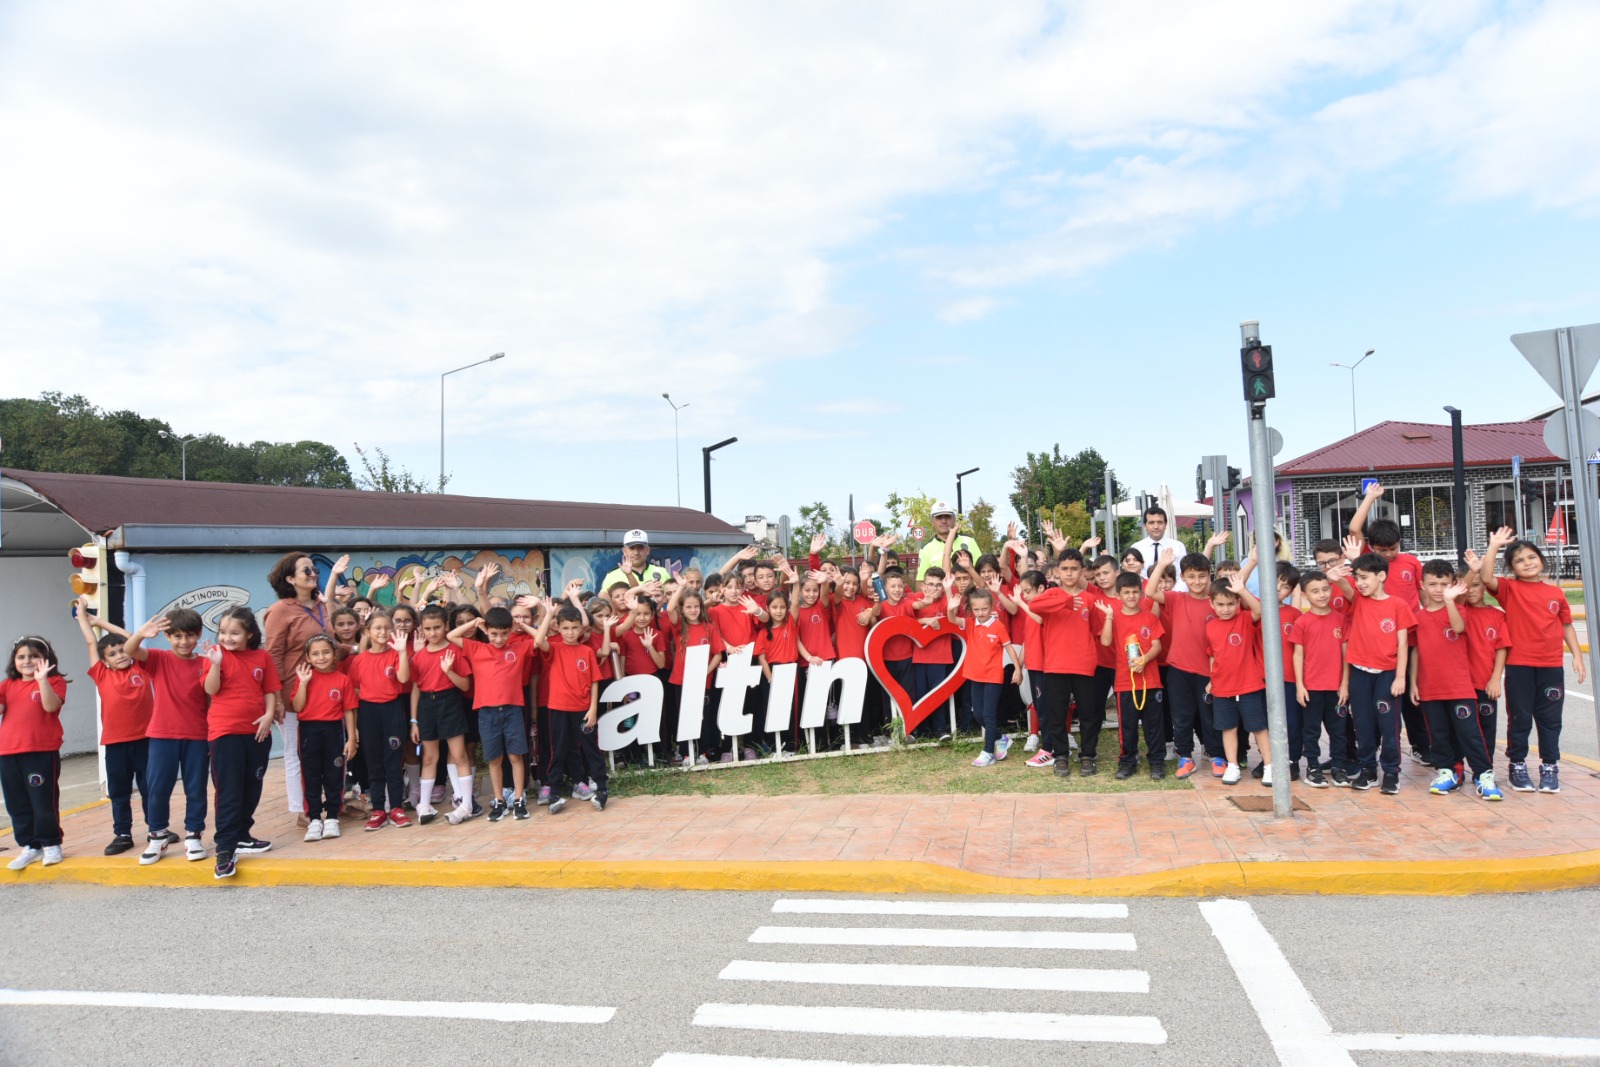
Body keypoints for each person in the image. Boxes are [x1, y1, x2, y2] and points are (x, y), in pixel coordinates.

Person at [1479, 527, 1586, 794]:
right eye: (1519, 560)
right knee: (1521, 718)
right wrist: (1494, 546)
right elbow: (1486, 577)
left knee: (1550, 720)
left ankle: (1549, 766)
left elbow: (1566, 626)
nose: (1527, 563)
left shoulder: (1556, 594)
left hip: (1551, 667)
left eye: (1531, 557)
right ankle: (1517, 764)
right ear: (1512, 567)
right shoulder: (1509, 589)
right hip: (1519, 666)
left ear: (1541, 560)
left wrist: (1577, 657)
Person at [126, 609, 211, 863]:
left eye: (189, 636)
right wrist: (141, 633)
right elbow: (131, 650)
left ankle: (193, 836)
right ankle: (157, 837)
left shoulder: (206, 662)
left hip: (197, 735)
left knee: (195, 788)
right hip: (162, 735)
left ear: (199, 635)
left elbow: (210, 698)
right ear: (167, 636)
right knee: (157, 788)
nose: (183, 642)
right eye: (176, 636)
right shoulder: (157, 658)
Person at [1409, 562, 1500, 800]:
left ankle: (1484, 775)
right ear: (1422, 585)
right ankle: (1447, 771)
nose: (1438, 589)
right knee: (1438, 734)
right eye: (1432, 584)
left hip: (1459, 687)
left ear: (1452, 586)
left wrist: (1450, 600)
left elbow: (1458, 628)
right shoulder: (1417, 617)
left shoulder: (1459, 610)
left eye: (1444, 584)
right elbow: (1416, 651)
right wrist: (1413, 682)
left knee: (1470, 733)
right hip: (1430, 689)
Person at [203, 606, 282, 879]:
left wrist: (269, 715)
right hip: (226, 733)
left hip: (258, 733)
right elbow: (210, 690)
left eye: (235, 633)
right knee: (229, 792)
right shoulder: (216, 655)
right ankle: (225, 849)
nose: (227, 637)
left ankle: (242, 835)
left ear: (249, 634)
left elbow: (270, 690)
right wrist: (214, 664)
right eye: (223, 632)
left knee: (252, 786)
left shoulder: (262, 657)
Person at [73, 596, 152, 857]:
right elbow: (89, 642)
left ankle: (156, 829)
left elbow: (131, 637)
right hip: (116, 743)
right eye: (113, 654)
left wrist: (102, 622)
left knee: (149, 787)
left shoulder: (141, 666)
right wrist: (84, 618)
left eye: (123, 651)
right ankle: (123, 833)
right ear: (104, 660)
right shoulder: (102, 674)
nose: (121, 655)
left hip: (146, 739)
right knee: (119, 791)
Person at [1333, 546, 1415, 795]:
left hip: (1387, 675)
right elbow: (1345, 586)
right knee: (1363, 725)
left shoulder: (1398, 605)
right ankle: (1368, 770)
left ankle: (1391, 772)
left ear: (1381, 576)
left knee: (1389, 726)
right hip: (1359, 674)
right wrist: (1337, 574)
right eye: (1357, 577)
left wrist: (1400, 677)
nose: (1359, 583)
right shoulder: (1357, 600)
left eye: (1364, 577)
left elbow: (1403, 643)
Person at [262, 551, 335, 827]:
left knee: (324, 752)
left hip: (324, 693)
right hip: (293, 694)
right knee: (296, 752)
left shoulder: (320, 605)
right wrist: (278, 699)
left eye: (313, 568)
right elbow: (272, 655)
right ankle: (302, 809)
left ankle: (324, 801)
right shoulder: (280, 610)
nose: (313, 573)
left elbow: (330, 644)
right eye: (306, 570)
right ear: (290, 579)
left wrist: (357, 650)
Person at [1014, 550, 1098, 777]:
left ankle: (1088, 755)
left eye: (1074, 569)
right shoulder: (1050, 596)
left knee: (1089, 714)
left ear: (1081, 571)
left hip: (1084, 664)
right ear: (1057, 571)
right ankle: (1060, 755)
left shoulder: (1090, 599)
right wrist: (1068, 600)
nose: (1069, 573)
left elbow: (1096, 631)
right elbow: (1035, 606)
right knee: (1056, 713)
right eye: (1065, 569)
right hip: (1055, 664)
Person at [449, 606, 535, 822]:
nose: (499, 639)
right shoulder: (476, 648)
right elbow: (451, 635)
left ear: (510, 631)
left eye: (504, 633)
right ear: (486, 630)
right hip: (486, 713)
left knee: (516, 756)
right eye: (494, 633)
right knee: (494, 758)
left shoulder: (518, 647)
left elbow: (541, 638)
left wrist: (522, 625)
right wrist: (475, 622)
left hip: (512, 710)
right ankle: (499, 800)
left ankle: (518, 798)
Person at [1145, 548, 1220, 780]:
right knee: (1181, 716)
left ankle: (1217, 755)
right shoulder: (1177, 599)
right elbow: (1149, 591)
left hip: (1208, 671)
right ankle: (1185, 757)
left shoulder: (1216, 604)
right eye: (1191, 576)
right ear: (1183, 578)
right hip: (1178, 669)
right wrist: (1161, 564)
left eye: (1201, 576)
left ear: (1210, 576)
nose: (1197, 581)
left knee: (1210, 715)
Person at [1, 637, 68, 870]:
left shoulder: (55, 681)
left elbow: (50, 706)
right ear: (14, 661)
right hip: (8, 752)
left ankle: (51, 844)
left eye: (33, 656)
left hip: (40, 752)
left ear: (45, 659)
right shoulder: (8, 685)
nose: (27, 661)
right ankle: (30, 845)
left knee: (43, 802)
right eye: (21, 657)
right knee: (17, 803)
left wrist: (42, 681)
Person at [533, 604, 605, 813]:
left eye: (574, 628)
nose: (570, 632)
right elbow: (539, 641)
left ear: (581, 629)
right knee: (559, 749)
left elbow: (594, 682)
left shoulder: (587, 651)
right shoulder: (554, 648)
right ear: (558, 627)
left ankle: (601, 788)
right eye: (565, 628)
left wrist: (593, 709)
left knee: (590, 748)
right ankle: (554, 791)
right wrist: (547, 615)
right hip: (558, 709)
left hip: (583, 710)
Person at [346, 610, 413, 829]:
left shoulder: (395, 654)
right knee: (373, 762)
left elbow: (403, 678)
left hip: (392, 711)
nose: (383, 632)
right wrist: (355, 726)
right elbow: (354, 692)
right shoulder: (359, 661)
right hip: (368, 713)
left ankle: (396, 808)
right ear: (367, 632)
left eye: (387, 628)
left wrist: (402, 653)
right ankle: (378, 810)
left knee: (393, 761)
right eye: (378, 628)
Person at [1204, 575, 1273, 786]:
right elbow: (1212, 655)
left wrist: (1242, 591)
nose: (1226, 609)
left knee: (1259, 726)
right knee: (1228, 728)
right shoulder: (1210, 627)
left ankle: (1270, 766)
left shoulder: (1244, 619)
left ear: (1238, 603)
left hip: (1249, 685)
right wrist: (1211, 679)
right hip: (1222, 687)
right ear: (1212, 603)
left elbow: (1260, 610)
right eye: (1221, 605)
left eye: (1231, 604)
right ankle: (1232, 765)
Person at [291, 635, 359, 840]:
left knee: (334, 775)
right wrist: (303, 683)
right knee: (310, 776)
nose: (321, 657)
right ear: (308, 658)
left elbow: (349, 710)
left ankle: (332, 817)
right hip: (308, 732)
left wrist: (351, 738)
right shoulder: (305, 677)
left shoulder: (342, 679)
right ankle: (314, 819)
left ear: (334, 654)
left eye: (326, 652)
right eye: (315, 654)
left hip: (333, 731)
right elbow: (297, 706)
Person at [409, 604, 473, 824]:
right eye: (428, 628)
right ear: (422, 629)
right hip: (427, 706)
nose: (433, 633)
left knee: (459, 754)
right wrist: (414, 720)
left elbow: (465, 685)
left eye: (437, 627)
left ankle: (466, 804)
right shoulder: (419, 656)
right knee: (429, 757)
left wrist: (449, 671)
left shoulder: (455, 651)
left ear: (446, 625)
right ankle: (424, 804)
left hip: (450, 702)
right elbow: (416, 688)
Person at [1290, 567, 1353, 788]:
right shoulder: (1302, 622)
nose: (1322, 595)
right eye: (1315, 591)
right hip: (1312, 687)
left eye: (1326, 589)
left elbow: (1346, 655)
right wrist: (1300, 685)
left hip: (1336, 688)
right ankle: (1313, 767)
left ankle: (1338, 766)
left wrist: (1345, 684)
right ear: (1305, 595)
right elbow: (1298, 655)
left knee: (1338, 731)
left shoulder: (1341, 619)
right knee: (1311, 730)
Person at [1098, 572, 1164, 779]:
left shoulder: (1150, 618)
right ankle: (1128, 761)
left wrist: (1144, 659)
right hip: (1125, 683)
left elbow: (1157, 645)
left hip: (1151, 681)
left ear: (1142, 594)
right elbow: (1106, 641)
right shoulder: (1114, 616)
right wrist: (1108, 617)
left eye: (1135, 592)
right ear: (1118, 595)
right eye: (1126, 592)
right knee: (1127, 726)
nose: (1131, 596)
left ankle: (1156, 761)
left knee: (1153, 725)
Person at [1460, 549, 1511, 767]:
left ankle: (1485, 769)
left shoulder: (1497, 616)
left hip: (1484, 683)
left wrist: (1495, 679)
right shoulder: (1460, 611)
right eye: (1468, 585)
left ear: (1485, 588)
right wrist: (1472, 573)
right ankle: (1458, 767)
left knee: (1487, 729)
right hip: (1460, 685)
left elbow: (1502, 648)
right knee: (1461, 728)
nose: (1471, 590)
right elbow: (1461, 596)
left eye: (1477, 585)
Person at [916, 503, 979, 581]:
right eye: (939, 517)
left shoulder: (970, 542)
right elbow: (921, 581)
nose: (944, 521)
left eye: (947, 517)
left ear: (954, 519)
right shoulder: (925, 549)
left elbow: (981, 574)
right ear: (932, 522)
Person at [599, 529, 673, 594]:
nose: (636, 552)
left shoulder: (662, 572)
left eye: (640, 548)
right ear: (624, 551)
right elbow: (603, 598)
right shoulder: (612, 576)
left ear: (647, 550)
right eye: (632, 548)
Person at [1127, 506, 1183, 581]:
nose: (1156, 527)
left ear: (1165, 524)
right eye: (1151, 523)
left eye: (1160, 522)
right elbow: (1133, 575)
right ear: (1144, 526)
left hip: (1172, 591)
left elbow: (1182, 576)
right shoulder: (1136, 548)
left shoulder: (1178, 546)